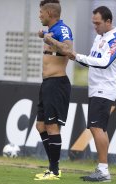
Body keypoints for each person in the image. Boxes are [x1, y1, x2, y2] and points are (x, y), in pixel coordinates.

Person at [48, 6, 116, 182]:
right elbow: (91, 62)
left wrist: (77, 56)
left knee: (96, 128)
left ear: (108, 22)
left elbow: (104, 62)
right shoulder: (99, 37)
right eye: (93, 23)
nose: (95, 27)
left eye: (98, 23)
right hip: (96, 89)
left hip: (104, 89)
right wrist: (76, 57)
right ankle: (102, 169)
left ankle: (104, 171)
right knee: (99, 128)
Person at [34, 0, 73, 181]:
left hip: (57, 84)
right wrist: (47, 36)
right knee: (40, 126)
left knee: (51, 126)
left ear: (50, 12)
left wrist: (49, 39)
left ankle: (54, 171)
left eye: (41, 12)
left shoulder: (62, 29)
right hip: (47, 84)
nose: (39, 15)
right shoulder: (51, 30)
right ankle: (53, 168)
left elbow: (68, 50)